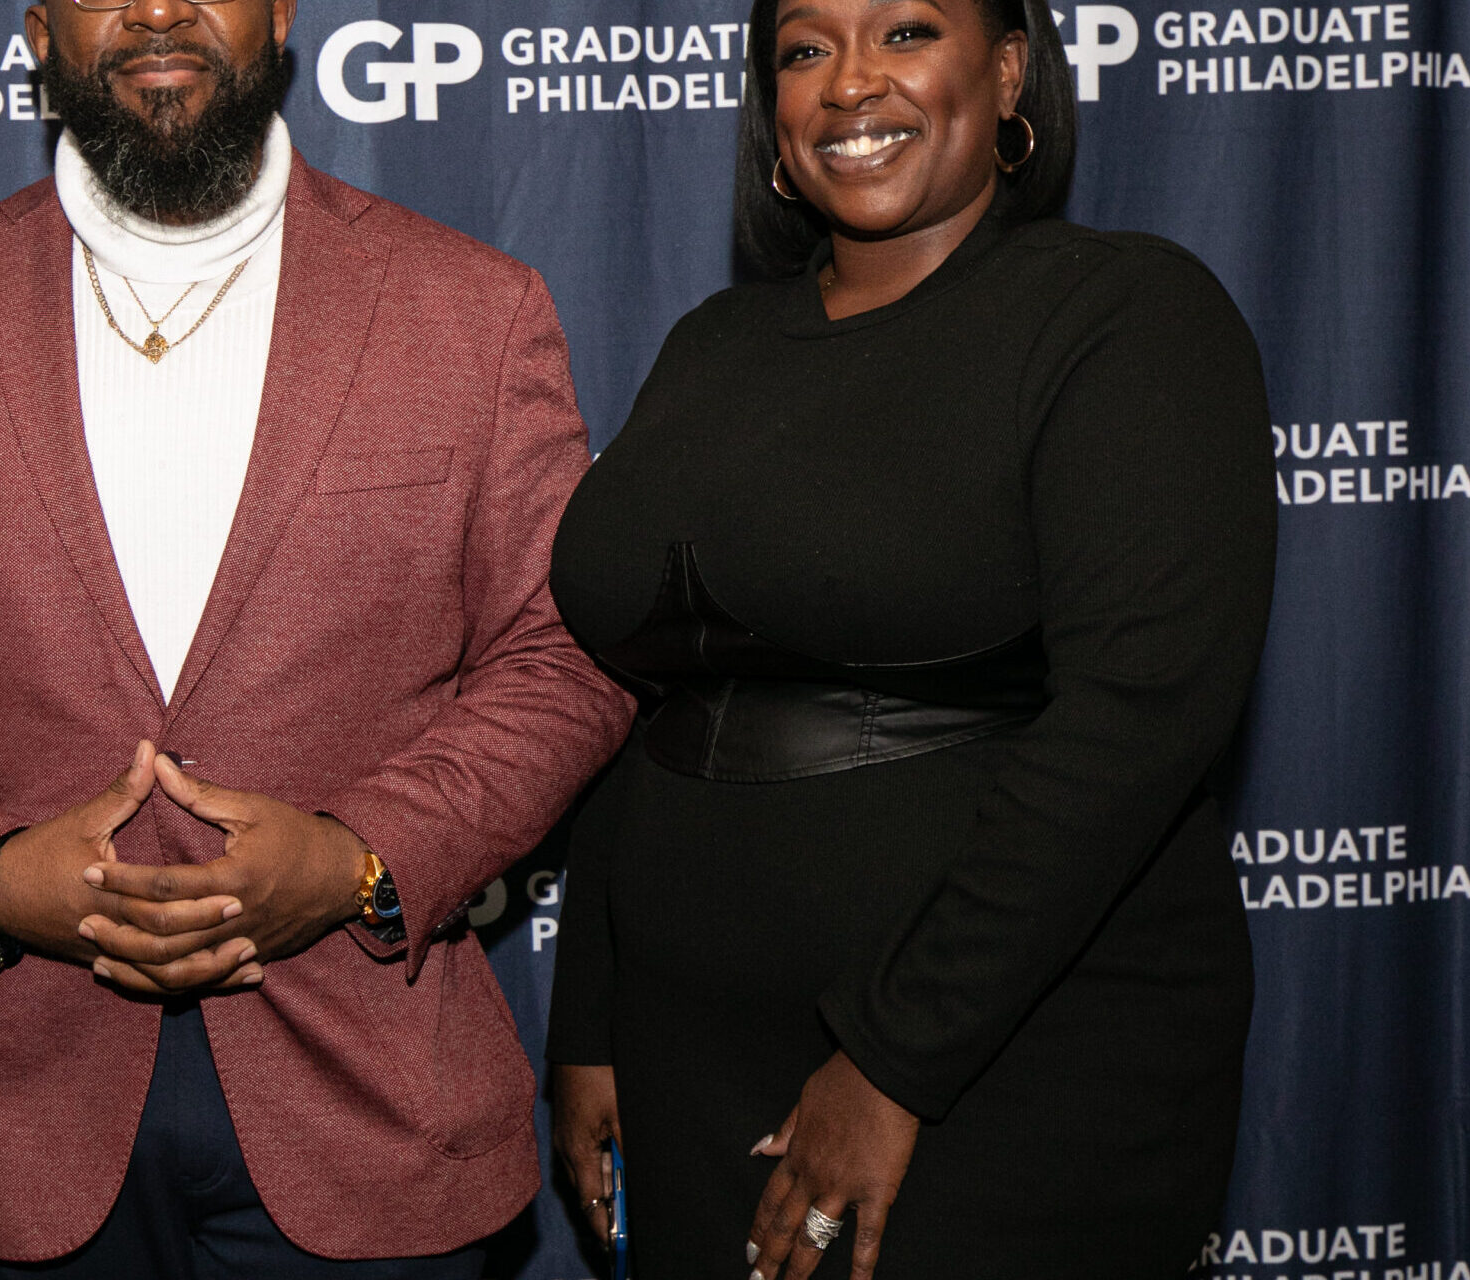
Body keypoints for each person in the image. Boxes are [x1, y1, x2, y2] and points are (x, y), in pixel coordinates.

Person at [0, 0, 633, 1275]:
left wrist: (361, 859)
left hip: (373, 1109)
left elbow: (557, 657)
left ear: (282, 14)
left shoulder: (473, 308)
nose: (159, 8)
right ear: (33, 28)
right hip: (12, 1116)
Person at [544, 0, 1275, 1276]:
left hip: (1009, 1052)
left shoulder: (1124, 317)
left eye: (905, 33)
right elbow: (655, 691)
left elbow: (1133, 724)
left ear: (1005, 75)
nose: (849, 83)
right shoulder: (710, 346)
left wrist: (893, 1058)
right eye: (805, 50)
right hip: (689, 1047)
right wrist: (592, 1013)